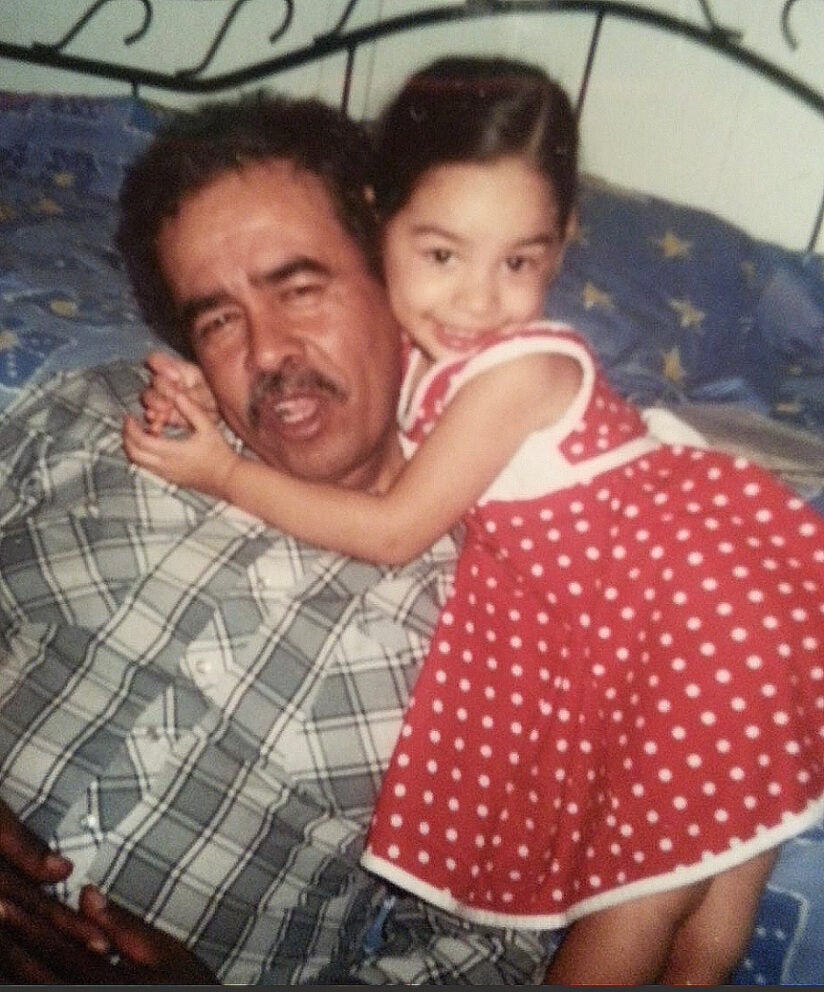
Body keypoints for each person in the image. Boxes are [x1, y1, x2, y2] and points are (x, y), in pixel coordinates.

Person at [122, 58, 824, 985]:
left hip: (697, 614)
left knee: (638, 901)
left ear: (563, 243)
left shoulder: (513, 375)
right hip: (649, 614)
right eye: (441, 255)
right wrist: (201, 387)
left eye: (520, 262)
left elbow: (390, 529)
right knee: (699, 891)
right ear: (381, 221)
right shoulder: (433, 366)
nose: (476, 301)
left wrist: (219, 472)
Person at [0, 92, 556, 984]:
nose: (266, 352)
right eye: (218, 318)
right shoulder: (94, 419)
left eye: (301, 288)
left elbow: (498, 954)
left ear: (398, 284)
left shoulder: (511, 618)